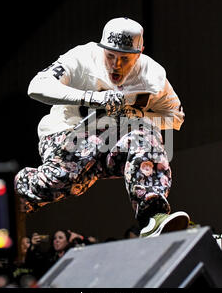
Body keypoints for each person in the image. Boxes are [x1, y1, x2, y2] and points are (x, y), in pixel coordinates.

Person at [15, 17, 190, 238]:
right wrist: (93, 99)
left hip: (109, 147)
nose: (116, 65)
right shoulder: (82, 57)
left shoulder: (152, 74)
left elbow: (176, 117)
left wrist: (135, 112)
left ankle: (153, 216)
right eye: (110, 56)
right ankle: (19, 195)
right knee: (64, 182)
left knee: (144, 134)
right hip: (64, 135)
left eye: (125, 59)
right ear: (101, 49)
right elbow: (36, 86)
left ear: (140, 53)